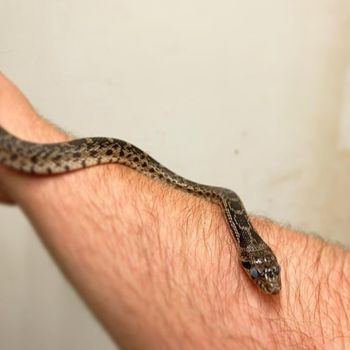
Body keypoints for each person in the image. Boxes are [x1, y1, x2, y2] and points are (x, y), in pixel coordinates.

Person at [0, 72, 348, 349]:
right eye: (261, 274)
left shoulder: (235, 216)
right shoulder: (228, 203)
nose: (270, 284)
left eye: (266, 274)